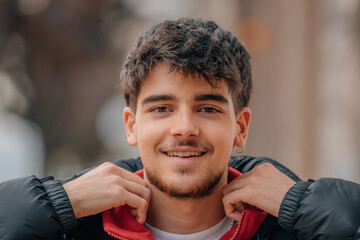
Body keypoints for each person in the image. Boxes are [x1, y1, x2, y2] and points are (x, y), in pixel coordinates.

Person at [0, 18, 359, 240]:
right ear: (132, 126)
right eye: (161, 108)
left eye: (207, 108)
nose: (184, 128)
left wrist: (303, 205)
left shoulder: (294, 227)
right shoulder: (74, 227)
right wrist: (58, 203)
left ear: (240, 127)